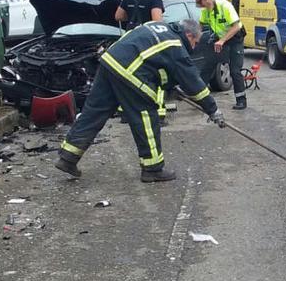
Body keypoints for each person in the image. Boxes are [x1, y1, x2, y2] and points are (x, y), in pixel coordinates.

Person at [55, 19, 226, 183]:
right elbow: (194, 82)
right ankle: (153, 170)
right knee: (146, 119)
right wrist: (212, 109)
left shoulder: (158, 27)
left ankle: (68, 156)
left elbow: (154, 61)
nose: (194, 47)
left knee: (94, 112)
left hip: (110, 62)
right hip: (130, 72)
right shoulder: (175, 44)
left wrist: (171, 87)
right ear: (189, 35)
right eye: (195, 42)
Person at [115, 0, 168, 121]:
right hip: (147, 41)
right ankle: (159, 112)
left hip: (129, 40)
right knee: (157, 74)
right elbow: (157, 21)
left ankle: (125, 111)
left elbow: (118, 16)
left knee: (129, 74)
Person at [195, 0, 248, 110]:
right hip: (220, 39)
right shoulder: (206, 10)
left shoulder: (225, 6)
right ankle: (199, 97)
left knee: (235, 70)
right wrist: (194, 38)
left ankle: (241, 100)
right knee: (208, 65)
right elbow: (200, 26)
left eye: (199, 1)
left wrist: (222, 40)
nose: (198, 5)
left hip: (235, 39)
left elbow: (236, 27)